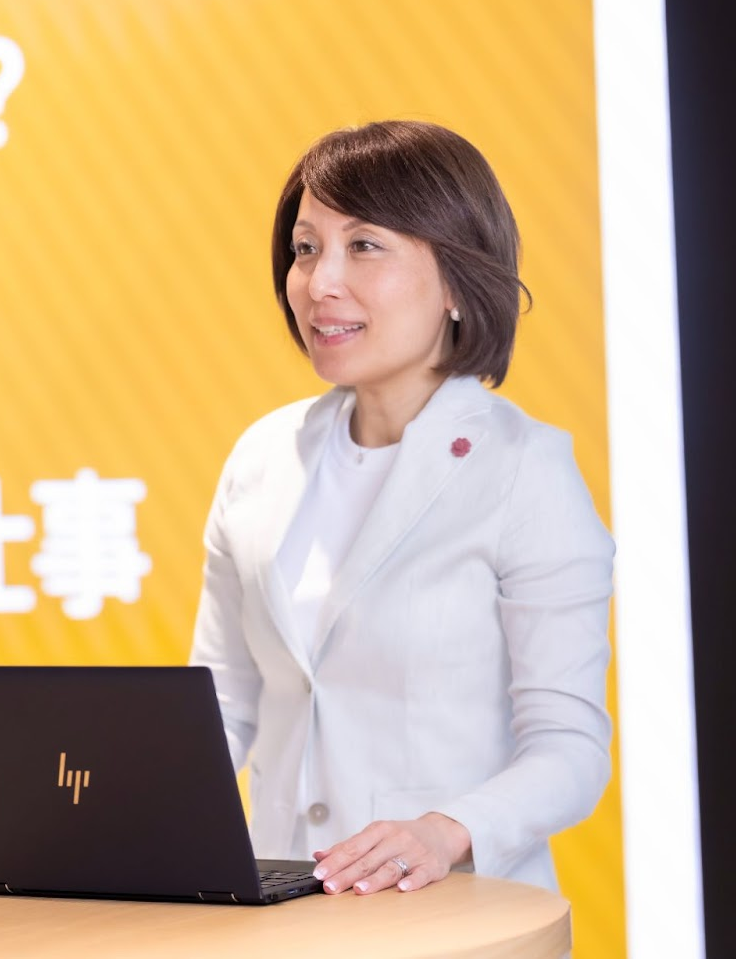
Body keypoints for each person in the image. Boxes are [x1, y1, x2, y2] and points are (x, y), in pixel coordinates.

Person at [189, 120, 614, 898]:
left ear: (456, 279)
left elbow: (570, 749)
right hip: (278, 916)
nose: (320, 282)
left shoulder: (525, 470)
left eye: (364, 246)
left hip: (456, 918)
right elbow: (219, 707)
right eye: (306, 248)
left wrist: (443, 832)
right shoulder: (261, 456)